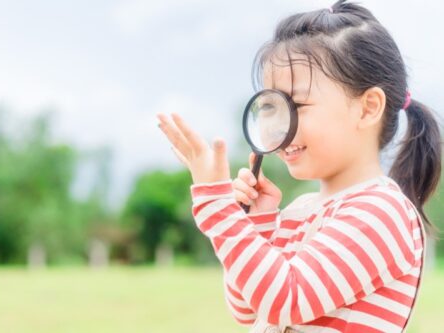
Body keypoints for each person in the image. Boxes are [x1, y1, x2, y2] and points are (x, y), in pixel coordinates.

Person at [156, 0, 442, 332]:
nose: (278, 125)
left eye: (298, 104)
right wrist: (257, 223)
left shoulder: (382, 212)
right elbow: (249, 310)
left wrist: (218, 208)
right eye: (268, 105)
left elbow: (285, 300)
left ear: (368, 108)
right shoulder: (301, 208)